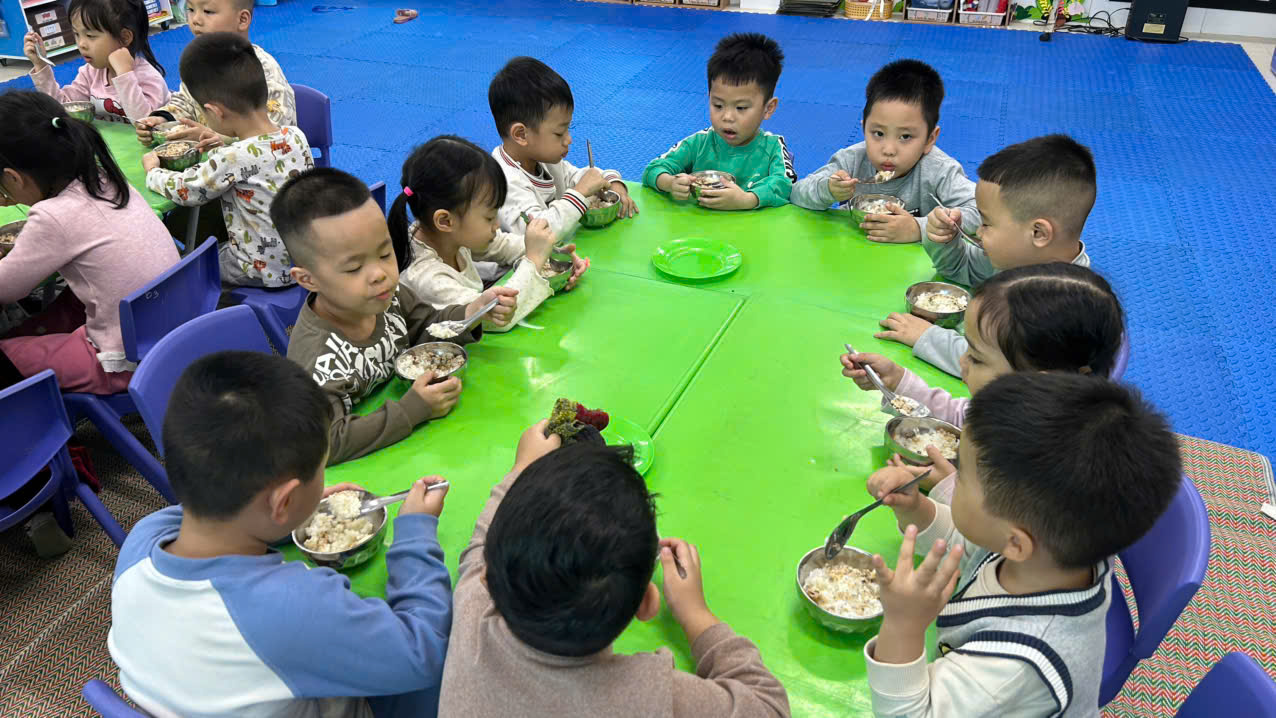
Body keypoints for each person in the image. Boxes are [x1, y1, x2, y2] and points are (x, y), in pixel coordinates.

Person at [108, 351, 453, 717]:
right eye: (321, 470)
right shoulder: (293, 607)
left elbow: (227, 514)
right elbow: (422, 653)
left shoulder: (143, 538)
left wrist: (298, 511)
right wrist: (415, 532)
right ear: (283, 501)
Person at [863, 372, 1181, 717]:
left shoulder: (1016, 667)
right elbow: (971, 548)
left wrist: (903, 626)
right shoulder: (1050, 553)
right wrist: (919, 509)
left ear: (1016, 543)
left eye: (962, 476)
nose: (950, 477)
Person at [438, 425, 792, 718]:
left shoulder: (471, 614)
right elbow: (769, 708)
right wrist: (696, 615)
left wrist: (522, 469)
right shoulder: (652, 698)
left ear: (487, 579)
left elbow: (479, 549)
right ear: (647, 604)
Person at [272, 168, 517, 465]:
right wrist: (411, 410)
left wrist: (473, 312)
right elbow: (325, 443)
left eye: (385, 254)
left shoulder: (386, 296)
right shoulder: (318, 359)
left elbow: (427, 325)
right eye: (354, 268)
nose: (379, 274)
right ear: (308, 279)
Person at [841, 262, 1125, 503]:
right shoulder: (1020, 408)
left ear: (1038, 384)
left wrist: (949, 488)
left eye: (976, 358)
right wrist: (897, 383)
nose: (962, 362)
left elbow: (998, 532)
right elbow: (964, 418)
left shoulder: (1050, 464)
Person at [0, 90, 178, 396]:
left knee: (5, 356)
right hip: (171, 326)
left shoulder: (53, 216)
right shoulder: (104, 177)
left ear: (13, 178)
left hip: (127, 359)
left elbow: (7, 288)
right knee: (65, 303)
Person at [879, 134, 1097, 377]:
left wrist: (926, 336)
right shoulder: (1023, 257)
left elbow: (995, 368)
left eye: (986, 223)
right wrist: (943, 240)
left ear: (1038, 233)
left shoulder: (1056, 308)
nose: (979, 232)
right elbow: (961, 269)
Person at [143, 32, 312, 289]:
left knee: (185, 263)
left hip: (260, 270)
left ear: (214, 112)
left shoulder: (232, 157)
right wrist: (224, 142)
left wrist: (154, 172)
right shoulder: (295, 135)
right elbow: (259, 158)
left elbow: (188, 190)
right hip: (307, 259)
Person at [391, 136, 589, 331]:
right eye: (489, 217)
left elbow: (502, 245)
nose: (497, 224)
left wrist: (550, 253)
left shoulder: (446, 235)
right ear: (445, 221)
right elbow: (496, 319)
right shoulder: (427, 279)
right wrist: (534, 260)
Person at [790, 60, 978, 245]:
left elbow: (982, 212)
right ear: (864, 129)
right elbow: (797, 194)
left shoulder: (939, 171)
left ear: (929, 139)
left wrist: (919, 228)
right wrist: (828, 190)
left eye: (905, 137)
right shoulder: (852, 160)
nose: (888, 150)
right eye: (878, 133)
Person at [642, 33, 795, 211]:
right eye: (718, 105)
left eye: (741, 108)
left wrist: (748, 199)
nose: (727, 117)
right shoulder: (699, 143)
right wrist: (670, 183)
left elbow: (786, 184)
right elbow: (653, 169)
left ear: (768, 108)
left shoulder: (773, 147)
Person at [488, 56, 638, 236]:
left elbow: (577, 177)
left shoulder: (542, 159)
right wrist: (580, 192)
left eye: (568, 129)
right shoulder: (503, 183)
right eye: (559, 133)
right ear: (521, 135)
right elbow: (537, 233)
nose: (569, 140)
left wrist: (612, 183)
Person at [134, 0, 296, 146]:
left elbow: (273, 137)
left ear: (242, 20)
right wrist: (162, 120)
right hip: (210, 160)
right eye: (190, 9)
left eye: (208, 11)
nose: (195, 20)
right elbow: (185, 102)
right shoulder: (199, 63)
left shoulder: (263, 70)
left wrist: (214, 138)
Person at [25, 0, 169, 124]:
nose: (81, 44)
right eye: (76, 34)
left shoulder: (148, 78)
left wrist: (124, 75)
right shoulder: (90, 73)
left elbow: (145, 124)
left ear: (125, 38)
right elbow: (62, 109)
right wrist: (40, 64)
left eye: (90, 36)